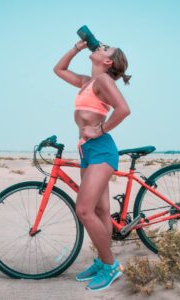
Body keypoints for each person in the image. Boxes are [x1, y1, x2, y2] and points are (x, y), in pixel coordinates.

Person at [53, 39, 131, 291]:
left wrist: (100, 129)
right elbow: (59, 69)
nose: (100, 47)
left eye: (105, 49)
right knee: (100, 212)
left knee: (84, 210)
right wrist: (77, 47)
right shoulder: (89, 82)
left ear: (107, 61)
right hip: (87, 151)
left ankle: (111, 266)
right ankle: (101, 261)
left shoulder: (104, 81)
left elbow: (123, 109)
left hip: (101, 151)